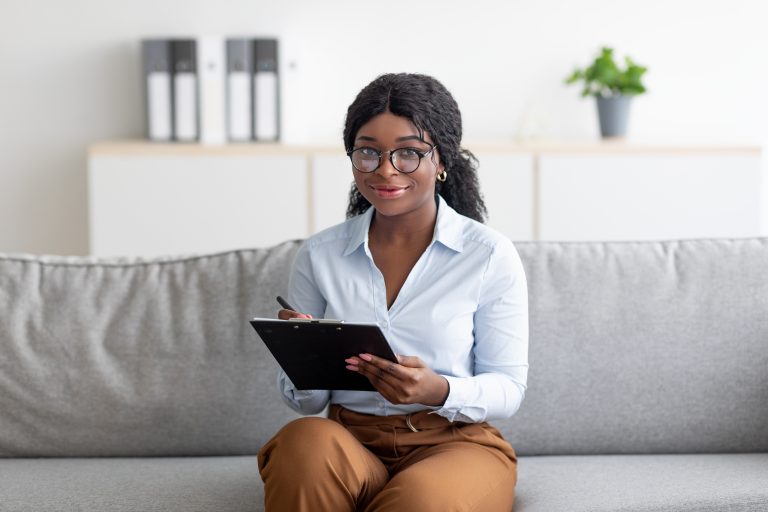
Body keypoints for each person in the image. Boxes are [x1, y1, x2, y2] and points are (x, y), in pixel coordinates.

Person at [258, 73, 529, 511]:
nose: (385, 169)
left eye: (408, 152)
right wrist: (303, 358)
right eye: (368, 152)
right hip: (348, 440)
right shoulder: (320, 255)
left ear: (441, 160)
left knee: (423, 499)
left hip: (454, 443)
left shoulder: (489, 255)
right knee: (303, 445)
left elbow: (509, 388)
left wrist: (437, 390)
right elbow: (307, 405)